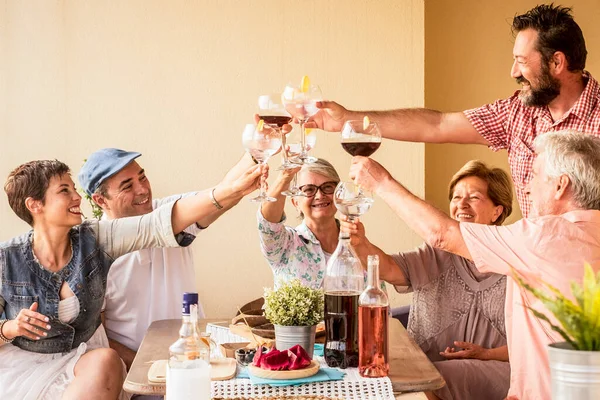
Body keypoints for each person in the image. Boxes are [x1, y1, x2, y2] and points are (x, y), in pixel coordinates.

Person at [348, 130, 600, 399]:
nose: (527, 187)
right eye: (456, 197)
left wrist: (381, 182)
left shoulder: (544, 237)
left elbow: (442, 234)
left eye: (535, 176)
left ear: (561, 185)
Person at [0, 158, 264, 400]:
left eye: (73, 188)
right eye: (64, 191)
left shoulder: (97, 238)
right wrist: (10, 328)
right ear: (35, 205)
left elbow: (157, 223)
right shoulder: (5, 259)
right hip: (27, 369)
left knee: (106, 360)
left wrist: (234, 190)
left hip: (86, 365)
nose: (76, 197)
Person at [310, 4, 600, 217]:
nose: (514, 71)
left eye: (522, 61)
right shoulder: (516, 113)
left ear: (557, 63)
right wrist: (346, 120)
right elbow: (437, 124)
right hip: (533, 276)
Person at [342, 160, 512, 400]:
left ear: (498, 211)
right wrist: (361, 243)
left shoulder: (516, 261)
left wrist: (486, 354)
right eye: (456, 197)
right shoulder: (436, 254)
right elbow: (389, 268)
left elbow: (535, 345)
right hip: (425, 370)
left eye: (473, 197)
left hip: (495, 372)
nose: (461, 204)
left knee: (431, 379)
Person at [78, 148, 258, 373]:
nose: (143, 189)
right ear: (100, 200)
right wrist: (151, 368)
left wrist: (256, 150)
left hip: (198, 361)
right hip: (141, 375)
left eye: (142, 177)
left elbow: (221, 193)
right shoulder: (93, 253)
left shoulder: (168, 213)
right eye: (128, 186)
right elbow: (98, 338)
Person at [258, 158, 341, 289]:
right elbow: (268, 224)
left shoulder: (357, 245)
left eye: (328, 187)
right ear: (296, 203)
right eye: (309, 190)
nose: (319, 195)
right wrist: (286, 176)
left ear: (339, 194)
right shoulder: (285, 244)